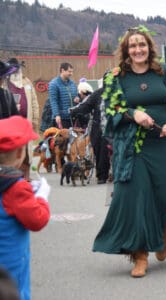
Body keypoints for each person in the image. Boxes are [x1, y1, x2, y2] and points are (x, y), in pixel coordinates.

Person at [92, 27, 166, 278]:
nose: (138, 49)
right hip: (133, 148)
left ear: (149, 47)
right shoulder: (115, 77)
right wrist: (133, 114)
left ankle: (163, 232)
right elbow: (110, 112)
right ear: (126, 50)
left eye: (142, 44)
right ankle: (139, 255)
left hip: (163, 143)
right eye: (132, 46)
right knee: (136, 198)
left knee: (165, 197)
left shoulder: (165, 72)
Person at [0, 116, 51, 300]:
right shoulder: (16, 187)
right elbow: (37, 219)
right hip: (10, 268)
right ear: (20, 153)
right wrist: (41, 197)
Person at [6, 58, 40, 181]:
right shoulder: (5, 83)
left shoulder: (27, 82)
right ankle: (13, 177)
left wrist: (35, 121)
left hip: (26, 123)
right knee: (13, 152)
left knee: (26, 152)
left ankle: (26, 178)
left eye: (17, 69)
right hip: (10, 125)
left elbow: (34, 102)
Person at [69, 87, 111, 184]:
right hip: (99, 127)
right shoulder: (97, 94)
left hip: (117, 126)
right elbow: (85, 106)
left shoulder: (121, 91)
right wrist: (74, 111)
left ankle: (112, 174)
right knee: (100, 151)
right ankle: (102, 175)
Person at [48, 62, 77, 129]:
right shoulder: (54, 84)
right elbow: (53, 101)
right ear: (62, 70)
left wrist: (77, 98)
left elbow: (76, 94)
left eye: (72, 72)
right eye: (69, 71)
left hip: (72, 117)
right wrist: (57, 115)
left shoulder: (72, 83)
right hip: (62, 118)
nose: (71, 74)